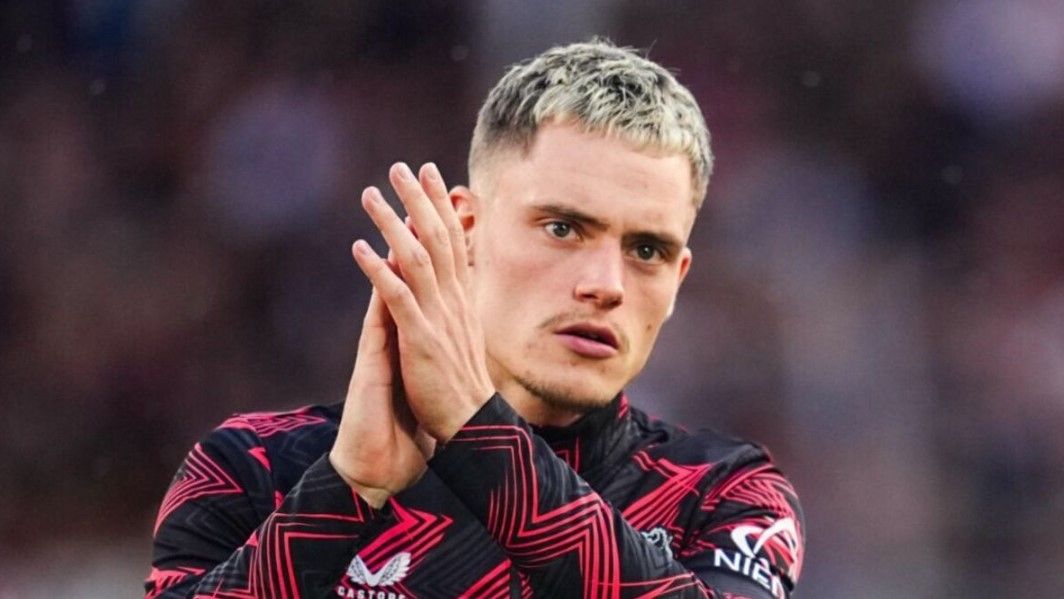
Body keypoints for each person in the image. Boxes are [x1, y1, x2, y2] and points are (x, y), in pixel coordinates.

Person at [146, 39, 804, 599]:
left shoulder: (723, 493)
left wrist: (473, 428)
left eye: (647, 251)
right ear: (463, 228)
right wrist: (344, 490)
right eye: (562, 228)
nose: (606, 285)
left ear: (678, 280)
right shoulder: (255, 466)